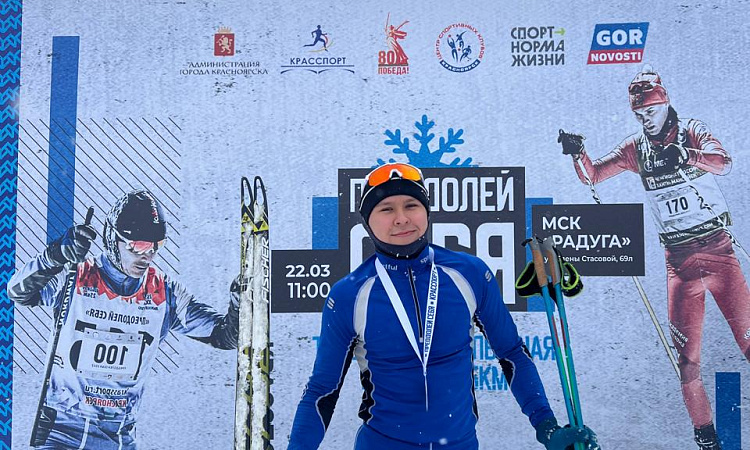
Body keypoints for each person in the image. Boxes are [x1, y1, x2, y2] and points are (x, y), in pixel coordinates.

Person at [288, 163, 599, 449]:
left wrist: (547, 427)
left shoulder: (469, 274)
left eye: (411, 205)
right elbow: (321, 391)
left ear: (426, 211)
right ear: (368, 221)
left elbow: (512, 354)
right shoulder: (350, 294)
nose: (401, 218)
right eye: (386, 209)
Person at [559, 65, 750, 450]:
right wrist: (578, 152)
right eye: (639, 113)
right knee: (687, 362)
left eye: (651, 110)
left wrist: (687, 155)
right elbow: (593, 175)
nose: (645, 118)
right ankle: (706, 438)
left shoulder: (691, 130)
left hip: (718, 252)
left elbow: (723, 162)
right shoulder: (636, 148)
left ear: (665, 104)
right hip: (679, 264)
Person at [8, 189, 240, 449]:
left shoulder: (164, 292)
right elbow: (18, 292)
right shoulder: (76, 275)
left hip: (116, 438)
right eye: (138, 245)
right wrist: (56, 255)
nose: (147, 255)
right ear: (112, 238)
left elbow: (224, 336)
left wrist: (240, 301)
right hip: (61, 431)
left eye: (156, 246)